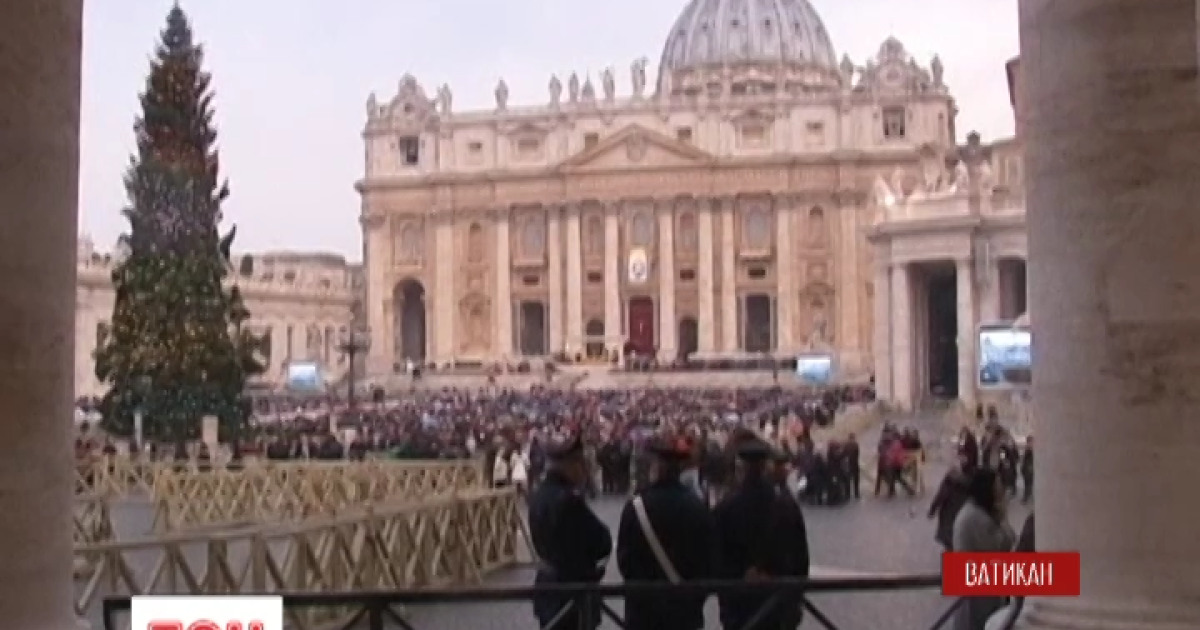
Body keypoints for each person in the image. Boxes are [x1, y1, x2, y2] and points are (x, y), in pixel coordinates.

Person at [617, 435, 715, 630]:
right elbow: (708, 558)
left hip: (643, 608)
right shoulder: (697, 507)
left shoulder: (636, 506)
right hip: (684, 608)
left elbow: (624, 558)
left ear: (655, 468)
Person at [714, 437, 810, 630]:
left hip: (740, 605)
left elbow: (716, 558)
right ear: (766, 467)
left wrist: (740, 575)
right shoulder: (787, 505)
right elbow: (801, 557)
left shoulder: (725, 507)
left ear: (740, 468)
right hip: (778, 601)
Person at [528, 434, 613, 630]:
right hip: (572, 592)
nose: (584, 471)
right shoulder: (569, 500)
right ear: (570, 465)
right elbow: (599, 540)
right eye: (581, 464)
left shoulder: (538, 495)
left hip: (548, 586)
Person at [952, 468, 1016, 630]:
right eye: (998, 486)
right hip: (979, 595)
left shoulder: (975, 514)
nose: (1001, 491)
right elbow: (1001, 547)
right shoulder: (977, 519)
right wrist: (1003, 515)